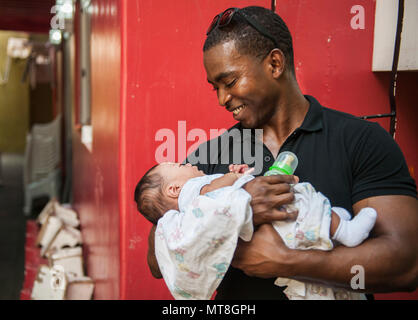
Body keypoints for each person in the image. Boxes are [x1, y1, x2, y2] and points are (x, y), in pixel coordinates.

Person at [146, 6, 417, 299]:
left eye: (230, 82)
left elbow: (406, 265)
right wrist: (235, 208)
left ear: (275, 64)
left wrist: (285, 261)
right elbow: (156, 257)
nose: (222, 98)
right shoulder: (211, 155)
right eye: (216, 88)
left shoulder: (360, 140)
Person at [135, 162, 377, 299]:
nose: (188, 162)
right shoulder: (193, 188)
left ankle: (337, 229)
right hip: (276, 226)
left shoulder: (188, 188)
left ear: (274, 68)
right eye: (180, 164)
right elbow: (213, 194)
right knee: (304, 206)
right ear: (174, 189)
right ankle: (345, 230)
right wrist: (236, 184)